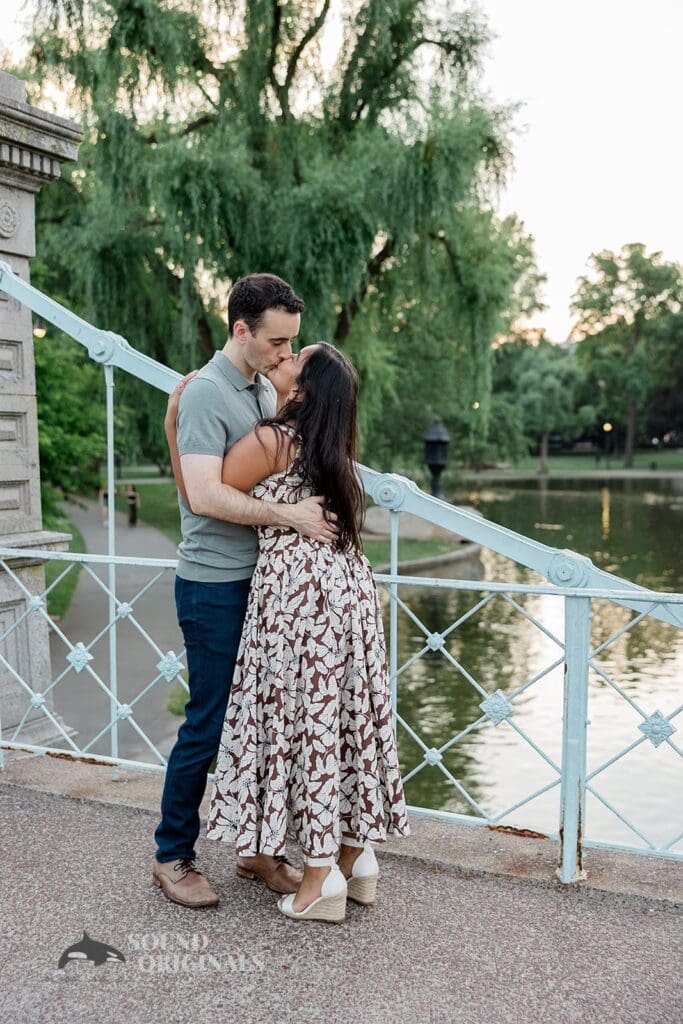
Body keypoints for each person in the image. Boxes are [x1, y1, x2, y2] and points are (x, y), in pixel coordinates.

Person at [167, 342, 409, 924]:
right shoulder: (335, 450)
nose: (286, 357)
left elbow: (200, 495)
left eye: (295, 359)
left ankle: (319, 879)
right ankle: (355, 858)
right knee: (346, 719)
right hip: (348, 592)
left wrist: (175, 427)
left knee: (299, 722)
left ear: (302, 391)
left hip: (298, 599)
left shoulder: (275, 438)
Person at [153, 274, 338, 910]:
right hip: (213, 585)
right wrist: (295, 517)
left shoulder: (262, 384)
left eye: (291, 343)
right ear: (241, 330)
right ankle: (172, 854)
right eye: (278, 342)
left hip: (260, 585)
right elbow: (203, 497)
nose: (288, 355)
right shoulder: (207, 393)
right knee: (207, 724)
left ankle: (256, 851)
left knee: (257, 725)